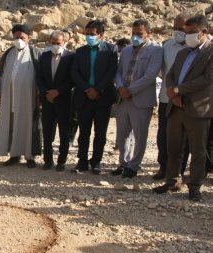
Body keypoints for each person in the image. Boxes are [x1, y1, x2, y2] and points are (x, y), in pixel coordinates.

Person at [153, 15, 213, 201]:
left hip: (197, 108)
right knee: (174, 147)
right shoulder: (183, 53)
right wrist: (173, 93)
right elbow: (169, 74)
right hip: (176, 107)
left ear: (204, 32)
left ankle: (194, 186)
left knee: (197, 150)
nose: (187, 36)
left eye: (191, 32)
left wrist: (178, 90)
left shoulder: (210, 53)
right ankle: (172, 180)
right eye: (186, 32)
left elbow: (207, 79)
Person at [113, 19, 163, 178]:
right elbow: (119, 71)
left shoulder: (156, 50)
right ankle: (123, 163)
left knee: (140, 135)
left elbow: (150, 75)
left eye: (139, 34)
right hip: (123, 98)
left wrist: (130, 90)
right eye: (133, 33)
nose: (135, 37)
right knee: (122, 135)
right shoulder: (127, 50)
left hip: (141, 100)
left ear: (149, 33)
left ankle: (134, 166)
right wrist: (120, 87)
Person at [70, 20, 118, 174]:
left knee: (100, 132)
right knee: (84, 132)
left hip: (102, 98)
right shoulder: (80, 51)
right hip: (84, 97)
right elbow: (74, 72)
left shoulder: (111, 50)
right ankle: (82, 161)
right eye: (87, 34)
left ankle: (96, 161)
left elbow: (111, 72)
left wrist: (97, 89)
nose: (89, 37)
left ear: (101, 35)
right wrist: (87, 89)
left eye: (92, 34)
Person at [0, 24, 41, 168]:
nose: (19, 40)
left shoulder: (35, 53)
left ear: (29, 38)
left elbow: (41, 76)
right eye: (16, 37)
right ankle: (14, 155)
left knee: (28, 125)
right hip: (10, 97)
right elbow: (0, 75)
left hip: (28, 98)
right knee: (12, 125)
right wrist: (0, 92)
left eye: (22, 37)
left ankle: (30, 157)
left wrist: (39, 96)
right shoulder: (8, 54)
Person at [153, 14, 189, 180]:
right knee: (163, 135)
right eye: (174, 28)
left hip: (186, 100)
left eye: (180, 29)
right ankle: (163, 166)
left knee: (183, 138)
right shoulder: (167, 46)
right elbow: (162, 71)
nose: (176, 32)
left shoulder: (196, 48)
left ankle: (178, 172)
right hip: (166, 99)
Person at [36, 30, 75, 171]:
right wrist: (46, 93)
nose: (55, 46)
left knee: (64, 132)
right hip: (47, 100)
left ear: (64, 43)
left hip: (63, 99)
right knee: (47, 131)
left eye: (58, 43)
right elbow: (39, 76)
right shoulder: (44, 56)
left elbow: (72, 78)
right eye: (53, 43)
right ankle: (48, 160)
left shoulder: (71, 57)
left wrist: (58, 91)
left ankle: (61, 161)